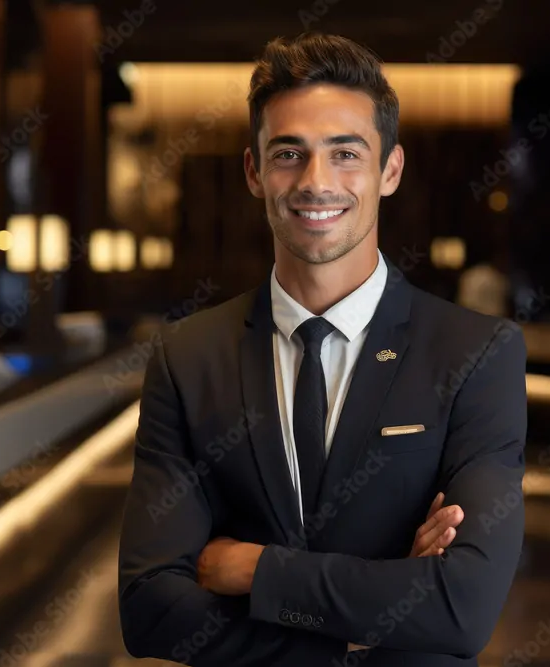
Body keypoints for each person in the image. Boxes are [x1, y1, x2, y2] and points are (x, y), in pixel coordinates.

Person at [118, 32, 527, 666]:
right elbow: (150, 607)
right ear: (254, 172)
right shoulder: (186, 356)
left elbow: (460, 607)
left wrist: (256, 571)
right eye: (289, 153)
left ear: (389, 170)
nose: (316, 182)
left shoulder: (476, 354)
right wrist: (362, 623)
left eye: (345, 153)